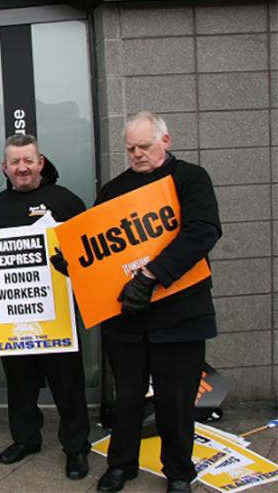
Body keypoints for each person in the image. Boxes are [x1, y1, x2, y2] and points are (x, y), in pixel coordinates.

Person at [91, 112, 222, 493]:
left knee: (176, 400)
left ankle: (179, 472)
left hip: (181, 314)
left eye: (144, 146)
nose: (136, 154)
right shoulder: (114, 189)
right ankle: (121, 465)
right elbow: (96, 247)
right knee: (127, 398)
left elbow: (202, 232)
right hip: (126, 318)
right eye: (130, 148)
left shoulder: (191, 179)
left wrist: (151, 275)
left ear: (165, 140)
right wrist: (71, 262)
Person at [0, 134, 91, 478]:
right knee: (20, 383)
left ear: (40, 162)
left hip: (59, 315)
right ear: (4, 167)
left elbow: (89, 252)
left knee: (68, 385)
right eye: (14, 162)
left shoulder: (66, 200)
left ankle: (75, 446)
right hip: (12, 318)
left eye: (28, 160)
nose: (21, 167)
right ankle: (26, 439)